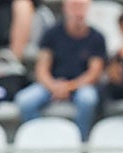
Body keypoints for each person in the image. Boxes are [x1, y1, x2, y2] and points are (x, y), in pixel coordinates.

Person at [14, 0, 106, 141]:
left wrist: (69, 87)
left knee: (88, 99)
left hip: (80, 85)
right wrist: (54, 86)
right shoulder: (52, 34)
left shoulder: (96, 38)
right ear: (65, 8)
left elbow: (94, 73)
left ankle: (81, 141)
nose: (77, 11)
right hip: (53, 83)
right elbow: (42, 68)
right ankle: (39, 139)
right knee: (25, 100)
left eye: (81, 6)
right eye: (74, 6)